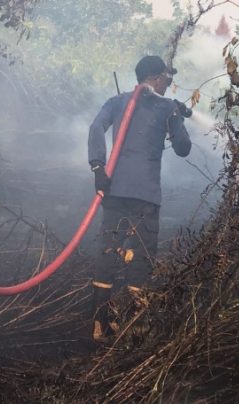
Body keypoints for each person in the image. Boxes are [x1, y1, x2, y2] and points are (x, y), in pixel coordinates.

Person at [87, 55, 191, 341]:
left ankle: (101, 326)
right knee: (142, 256)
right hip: (145, 196)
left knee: (109, 251)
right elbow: (183, 149)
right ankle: (136, 329)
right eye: (166, 79)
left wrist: (98, 167)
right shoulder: (166, 107)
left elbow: (95, 128)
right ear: (156, 78)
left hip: (114, 191)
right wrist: (177, 119)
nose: (168, 85)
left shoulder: (116, 101)